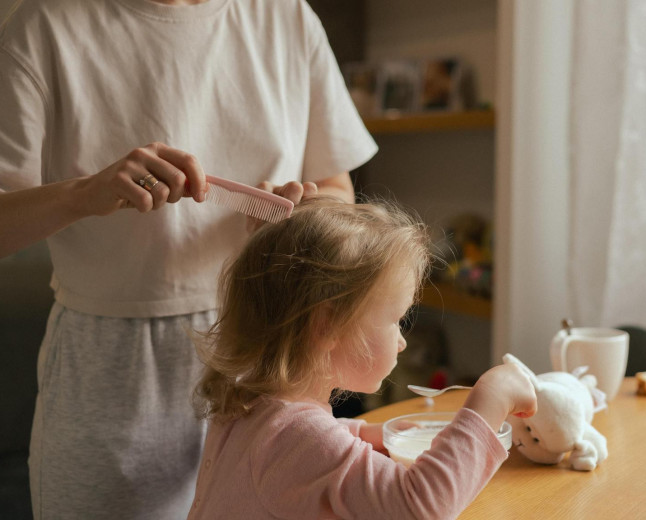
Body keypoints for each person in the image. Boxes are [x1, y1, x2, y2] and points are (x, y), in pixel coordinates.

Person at [0, 0, 377, 518]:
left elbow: (337, 188)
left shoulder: (287, 17)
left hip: (265, 356)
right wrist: (83, 194)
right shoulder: (43, 23)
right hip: (109, 375)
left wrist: (306, 213)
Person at [188, 198, 538, 519]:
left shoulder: (249, 401)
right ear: (327, 326)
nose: (402, 341)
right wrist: (489, 400)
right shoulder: (297, 437)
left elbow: (303, 446)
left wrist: (363, 433)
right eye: (395, 321)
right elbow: (419, 505)